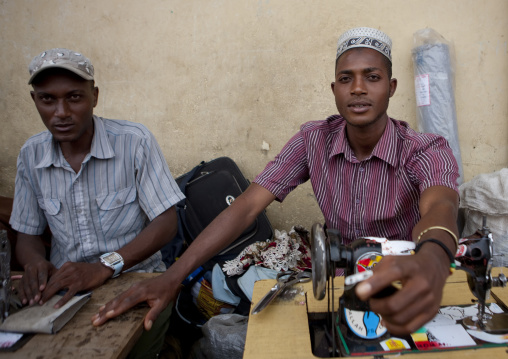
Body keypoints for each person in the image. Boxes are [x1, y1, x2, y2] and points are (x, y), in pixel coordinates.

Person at [92, 27, 460, 336]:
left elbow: (441, 206)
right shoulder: (312, 140)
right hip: (338, 275)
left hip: (408, 276)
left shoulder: (423, 148)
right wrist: (173, 276)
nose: (359, 89)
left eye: (372, 77)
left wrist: (432, 260)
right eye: (347, 79)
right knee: (238, 294)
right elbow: (248, 206)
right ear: (334, 89)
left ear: (392, 87)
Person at [10, 48, 185, 357]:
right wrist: (34, 263)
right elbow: (27, 233)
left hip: (138, 281)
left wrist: (106, 265)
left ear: (95, 96)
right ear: (35, 100)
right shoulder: (31, 155)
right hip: (66, 288)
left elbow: (166, 222)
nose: (60, 112)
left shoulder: (134, 141)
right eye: (47, 99)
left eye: (74, 97)